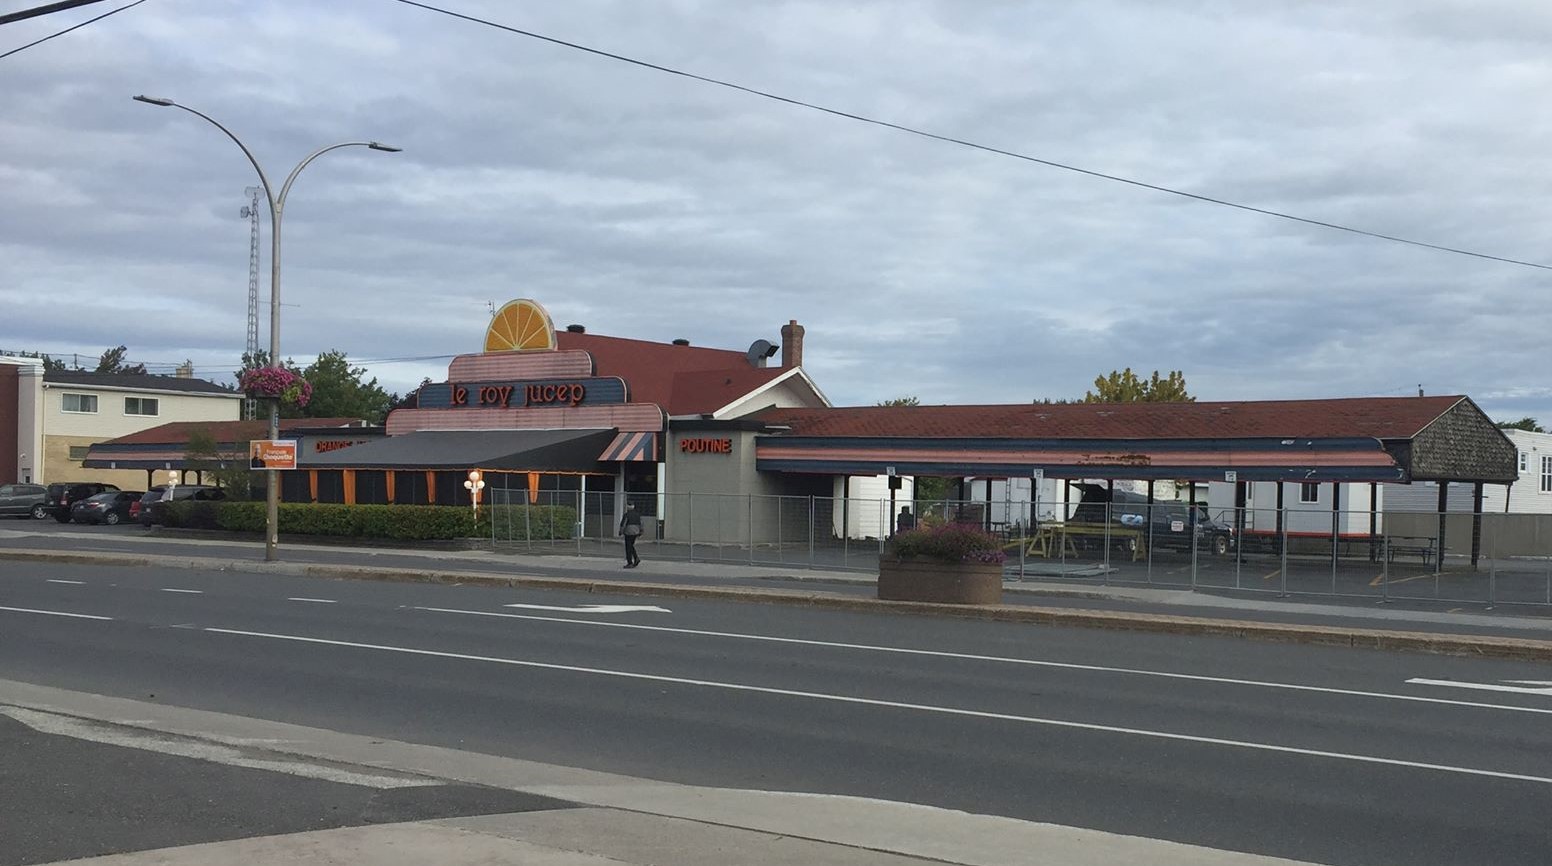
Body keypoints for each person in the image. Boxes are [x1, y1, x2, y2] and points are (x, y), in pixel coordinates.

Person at [619, 502, 643, 568]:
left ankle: (630, 562)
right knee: (631, 545)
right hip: (636, 532)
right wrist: (641, 531)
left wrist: (621, 531)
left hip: (628, 532)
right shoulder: (638, 515)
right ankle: (636, 558)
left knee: (628, 547)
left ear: (628, 507)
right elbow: (641, 523)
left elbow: (623, 524)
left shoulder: (626, 515)